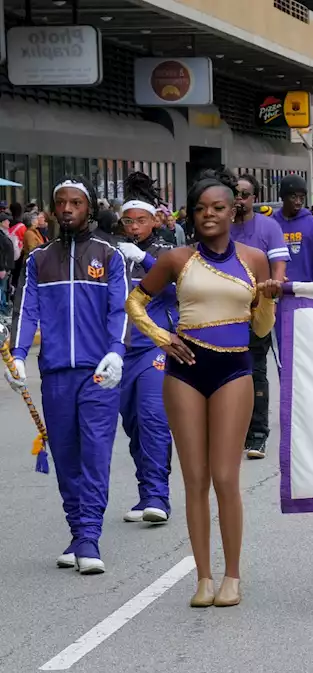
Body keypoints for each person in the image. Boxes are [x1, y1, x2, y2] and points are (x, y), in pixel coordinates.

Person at [126, 169, 282, 607]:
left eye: (217, 208)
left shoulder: (254, 259)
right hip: (185, 370)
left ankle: (232, 575)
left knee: (225, 476)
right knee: (194, 479)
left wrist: (266, 296)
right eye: (200, 209)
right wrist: (162, 337)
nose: (208, 215)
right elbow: (135, 301)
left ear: (234, 211)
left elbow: (261, 327)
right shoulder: (177, 260)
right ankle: (203, 578)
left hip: (234, 370)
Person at [6, 177, 128, 575]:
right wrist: (19, 356)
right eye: (61, 203)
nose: (68, 209)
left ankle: (89, 536)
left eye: (76, 203)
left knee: (94, 454)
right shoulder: (39, 259)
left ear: (88, 208)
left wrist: (116, 350)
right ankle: (78, 533)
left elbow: (120, 310)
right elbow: (27, 311)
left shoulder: (109, 255)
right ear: (54, 209)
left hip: (99, 374)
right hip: (56, 373)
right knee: (65, 455)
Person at [113, 172, 176, 525]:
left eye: (141, 220)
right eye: (129, 221)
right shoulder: (113, 254)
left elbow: (180, 288)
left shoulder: (167, 253)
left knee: (153, 418)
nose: (134, 226)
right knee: (133, 423)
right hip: (122, 350)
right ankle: (145, 491)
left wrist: (145, 259)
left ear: (154, 220)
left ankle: (157, 495)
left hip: (156, 346)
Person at [229, 175, 288, 461]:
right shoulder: (219, 226)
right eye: (235, 195)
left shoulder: (269, 228)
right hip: (222, 312)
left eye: (245, 195)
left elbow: (278, 267)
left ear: (254, 198)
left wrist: (273, 289)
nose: (240, 200)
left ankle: (257, 435)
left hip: (256, 311)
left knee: (255, 372)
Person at [272, 175, 313, 285]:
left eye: (302, 198)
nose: (298, 202)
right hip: (277, 291)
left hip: (306, 293)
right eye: (293, 197)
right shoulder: (270, 224)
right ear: (283, 197)